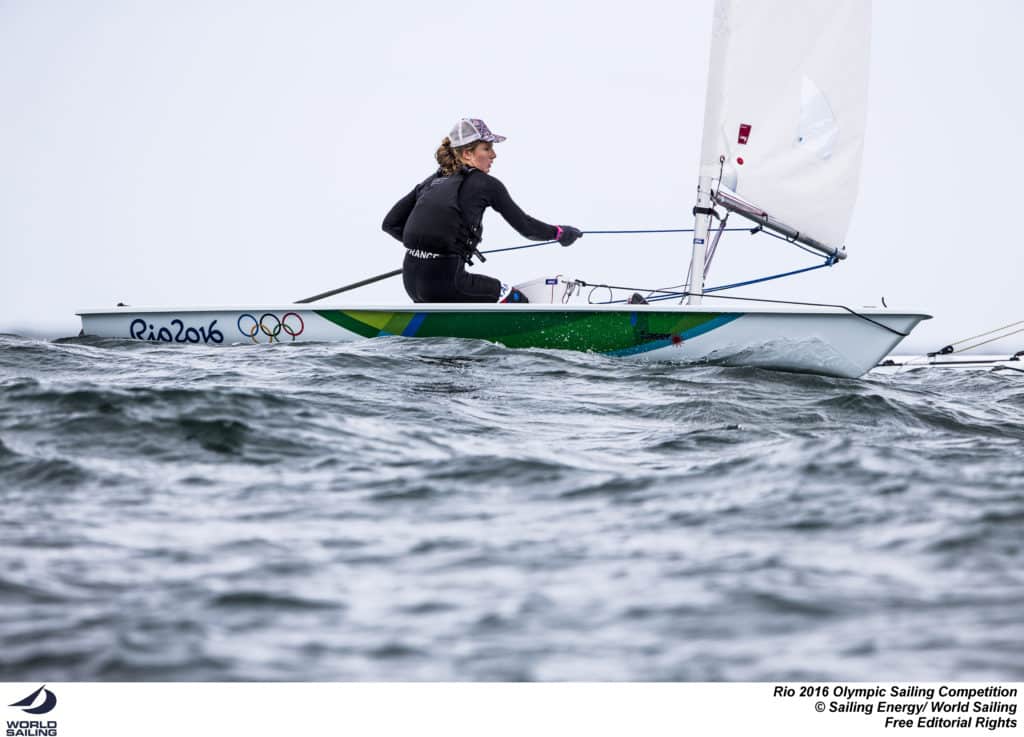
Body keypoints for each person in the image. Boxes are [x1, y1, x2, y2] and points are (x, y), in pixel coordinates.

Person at [382, 118, 582, 303]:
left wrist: (433, 248)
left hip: (411, 281)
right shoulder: (487, 184)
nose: (494, 155)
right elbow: (527, 227)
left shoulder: (433, 181)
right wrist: (560, 233)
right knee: (515, 298)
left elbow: (390, 224)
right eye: (487, 148)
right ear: (467, 153)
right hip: (448, 283)